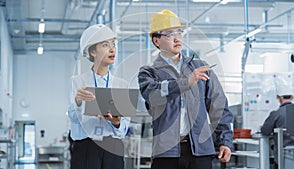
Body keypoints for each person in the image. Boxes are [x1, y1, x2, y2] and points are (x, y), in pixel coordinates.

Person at [138, 9, 233, 169]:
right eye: (169, 34)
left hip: (200, 151)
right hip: (166, 153)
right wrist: (185, 83)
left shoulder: (200, 68)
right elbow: (153, 95)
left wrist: (225, 141)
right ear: (156, 40)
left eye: (179, 32)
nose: (177, 38)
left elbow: (219, 107)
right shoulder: (149, 72)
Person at [67, 24, 130, 169]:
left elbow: (124, 127)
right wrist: (77, 101)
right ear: (93, 51)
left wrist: (116, 123)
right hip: (85, 148)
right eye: (105, 45)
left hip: (113, 149)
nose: (112, 49)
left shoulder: (122, 85)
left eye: (113, 44)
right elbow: (73, 119)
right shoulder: (78, 82)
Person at [261, 87, 294, 169]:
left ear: (279, 98)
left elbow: (265, 131)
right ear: (291, 97)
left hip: (284, 155)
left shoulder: (277, 113)